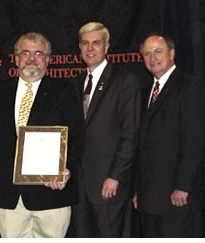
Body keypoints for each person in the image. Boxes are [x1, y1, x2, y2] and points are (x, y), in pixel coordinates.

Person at [0, 32, 84, 238]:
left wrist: (66, 170)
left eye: (38, 53)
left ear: (48, 60)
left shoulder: (65, 91)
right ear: (16, 58)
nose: (32, 58)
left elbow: (77, 137)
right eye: (25, 52)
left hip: (52, 193)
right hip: (9, 195)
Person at [71, 22, 141, 237]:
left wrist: (115, 176)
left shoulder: (124, 81)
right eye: (85, 43)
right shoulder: (75, 83)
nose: (90, 48)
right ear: (79, 48)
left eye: (96, 43)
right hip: (79, 185)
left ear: (107, 47)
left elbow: (130, 135)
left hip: (108, 183)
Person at [134, 32, 205, 237]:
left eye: (158, 51)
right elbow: (143, 145)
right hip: (149, 199)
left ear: (172, 53)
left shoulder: (191, 87)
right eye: (146, 54)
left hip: (177, 197)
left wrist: (183, 186)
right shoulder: (146, 90)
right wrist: (139, 190)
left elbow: (195, 141)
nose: (152, 58)